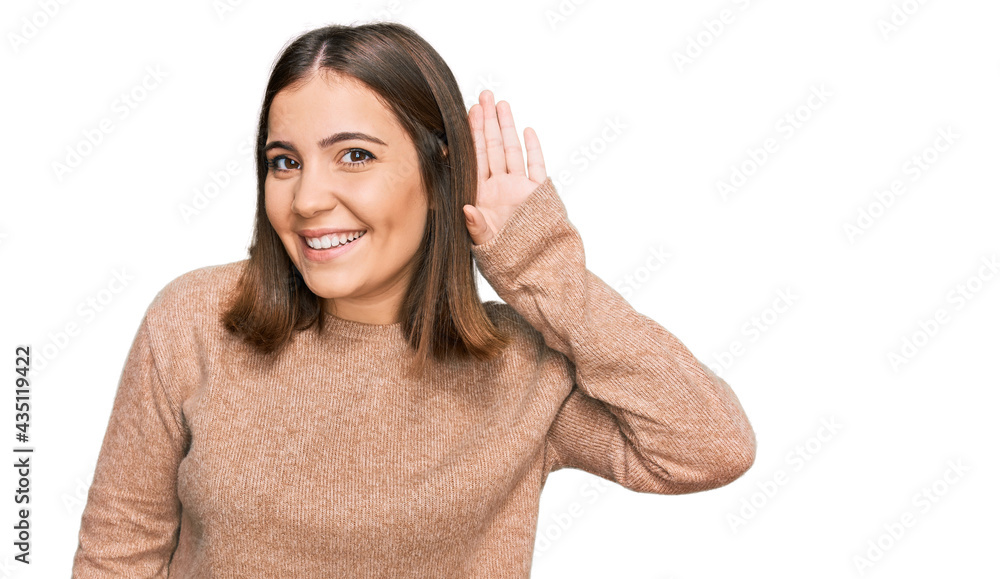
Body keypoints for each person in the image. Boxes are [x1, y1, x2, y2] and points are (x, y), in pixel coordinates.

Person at [71, 21, 756, 578]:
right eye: (285, 161)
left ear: (437, 176)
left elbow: (710, 444)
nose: (308, 199)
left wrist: (539, 261)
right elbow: (115, 557)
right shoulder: (195, 320)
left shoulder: (522, 368)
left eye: (356, 156)